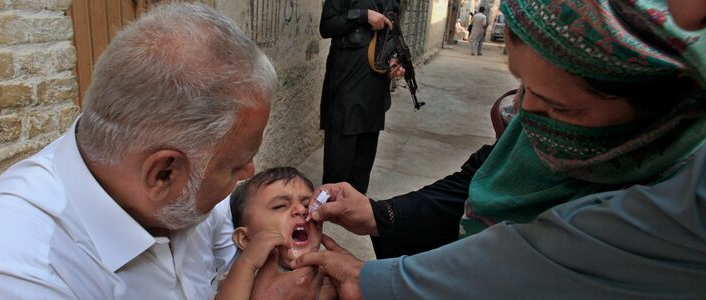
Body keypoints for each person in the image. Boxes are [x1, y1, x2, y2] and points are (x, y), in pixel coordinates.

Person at [296, 0, 706, 298]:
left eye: (558, 106)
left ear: (654, 114)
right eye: (522, 85)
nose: (526, 111)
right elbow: (478, 178)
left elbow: (536, 263)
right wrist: (379, 214)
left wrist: (373, 281)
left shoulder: (679, 202)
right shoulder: (535, 126)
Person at [0, 3, 322, 299]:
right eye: (236, 165)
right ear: (164, 173)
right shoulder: (14, 270)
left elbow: (236, 253)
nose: (248, 172)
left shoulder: (190, 192)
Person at [319, 0, 402, 194]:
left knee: (366, 149)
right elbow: (327, 26)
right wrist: (363, 15)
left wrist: (394, 60)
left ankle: (356, 199)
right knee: (341, 146)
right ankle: (331, 201)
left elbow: (394, 32)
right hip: (347, 81)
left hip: (376, 84)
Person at [216, 167, 334, 299]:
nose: (301, 210)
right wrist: (247, 263)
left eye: (308, 205)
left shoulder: (331, 273)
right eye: (279, 206)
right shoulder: (240, 278)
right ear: (246, 239)